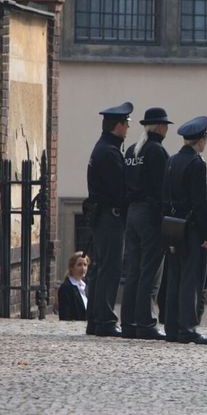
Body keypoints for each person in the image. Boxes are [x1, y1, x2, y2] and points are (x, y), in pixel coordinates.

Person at [120, 108, 173, 340]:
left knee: (133, 270)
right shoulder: (158, 151)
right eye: (166, 126)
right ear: (160, 128)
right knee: (151, 272)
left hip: (132, 212)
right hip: (150, 216)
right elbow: (163, 188)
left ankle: (129, 322)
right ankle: (147, 322)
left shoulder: (133, 150)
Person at [162, 116, 207, 345]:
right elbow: (201, 202)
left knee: (174, 276)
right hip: (191, 227)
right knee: (190, 279)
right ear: (200, 140)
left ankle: (172, 327)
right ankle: (187, 328)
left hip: (173, 224)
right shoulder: (197, 163)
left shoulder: (172, 160)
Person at [85, 101, 133, 337]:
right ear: (118, 126)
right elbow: (119, 191)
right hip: (110, 217)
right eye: (127, 124)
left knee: (100, 268)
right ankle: (104, 320)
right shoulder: (110, 152)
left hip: (101, 216)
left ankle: (95, 320)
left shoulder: (103, 147)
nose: (128, 129)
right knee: (109, 269)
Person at [58, 251, 90, 321]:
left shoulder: (86, 286)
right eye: (79, 265)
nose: (83, 268)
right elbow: (65, 315)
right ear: (72, 267)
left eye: (85, 265)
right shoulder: (66, 288)